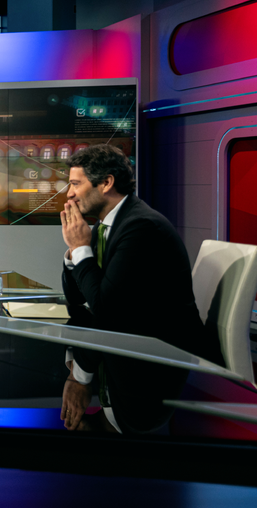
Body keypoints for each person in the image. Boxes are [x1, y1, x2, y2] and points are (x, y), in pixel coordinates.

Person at [58, 145, 205, 434]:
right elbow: (77, 297)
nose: (69, 194)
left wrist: (79, 377)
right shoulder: (108, 225)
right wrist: (74, 251)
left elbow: (106, 310)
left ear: (106, 183)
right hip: (121, 360)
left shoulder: (141, 227)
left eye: (75, 184)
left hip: (143, 389)